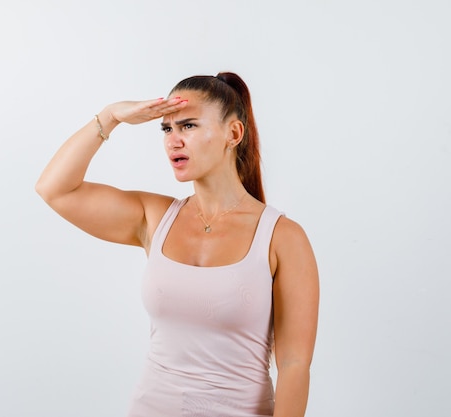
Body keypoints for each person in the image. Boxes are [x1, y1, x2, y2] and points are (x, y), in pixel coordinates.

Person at [35, 72, 319, 417]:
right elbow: (55, 189)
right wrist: (110, 116)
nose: (173, 141)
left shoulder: (282, 237)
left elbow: (293, 365)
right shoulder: (154, 217)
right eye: (166, 129)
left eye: (188, 126)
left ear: (233, 133)